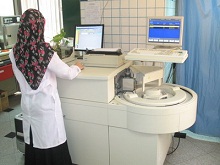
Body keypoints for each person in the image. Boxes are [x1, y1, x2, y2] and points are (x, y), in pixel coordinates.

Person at [9, 9, 84, 165]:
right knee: (52, 143)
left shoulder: (14, 52)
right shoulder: (45, 52)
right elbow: (68, 74)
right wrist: (77, 66)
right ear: (40, 27)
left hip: (28, 106)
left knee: (34, 143)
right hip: (45, 107)